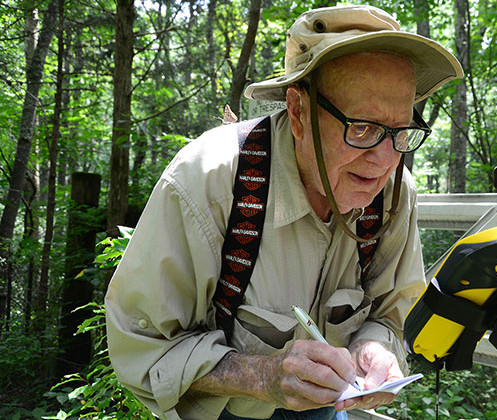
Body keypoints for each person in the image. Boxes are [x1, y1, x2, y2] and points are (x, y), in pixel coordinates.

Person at [105, 5, 462, 420]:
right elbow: (143, 346)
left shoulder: (393, 194)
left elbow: (392, 311)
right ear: (297, 112)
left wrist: (375, 346)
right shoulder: (211, 179)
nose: (385, 160)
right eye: (362, 128)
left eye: (401, 132)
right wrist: (261, 376)